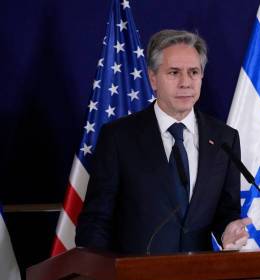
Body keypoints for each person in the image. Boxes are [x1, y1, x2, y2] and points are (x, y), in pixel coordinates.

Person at [76, 29, 250, 254]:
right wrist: (100, 277)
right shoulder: (119, 138)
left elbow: (226, 211)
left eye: (194, 72)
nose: (186, 82)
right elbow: (96, 220)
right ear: (153, 78)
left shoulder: (224, 138)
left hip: (201, 279)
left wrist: (228, 229)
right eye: (174, 72)